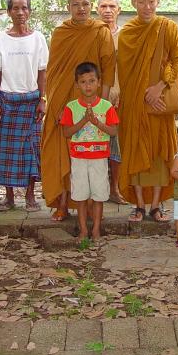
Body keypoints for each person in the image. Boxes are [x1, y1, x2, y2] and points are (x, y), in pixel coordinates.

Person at [42, 0, 115, 221]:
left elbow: (107, 67)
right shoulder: (61, 33)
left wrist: (101, 104)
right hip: (64, 100)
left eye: (85, 4)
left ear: (91, 6)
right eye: (76, 5)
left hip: (91, 100)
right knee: (61, 150)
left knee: (91, 154)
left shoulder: (100, 32)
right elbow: (53, 71)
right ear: (68, 8)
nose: (81, 9)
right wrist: (55, 105)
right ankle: (62, 202)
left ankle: (93, 205)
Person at [117, 0, 178, 223]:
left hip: (160, 104)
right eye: (142, 2)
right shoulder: (127, 33)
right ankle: (138, 205)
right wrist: (139, 97)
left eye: (151, 1)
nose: (147, 7)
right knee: (135, 149)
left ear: (158, 1)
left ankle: (156, 205)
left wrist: (159, 88)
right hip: (134, 105)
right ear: (133, 2)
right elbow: (124, 73)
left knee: (158, 153)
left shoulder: (169, 28)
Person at [0, 0, 48, 211]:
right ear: (9, 12)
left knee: (31, 150)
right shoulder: (0, 39)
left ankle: (30, 196)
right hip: (6, 101)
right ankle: (9, 196)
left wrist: (42, 99)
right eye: (15, 8)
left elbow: (43, 72)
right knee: (7, 153)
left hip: (31, 102)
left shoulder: (38, 38)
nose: (20, 13)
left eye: (24, 8)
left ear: (29, 11)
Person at [60, 62, 119, 241]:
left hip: (99, 158)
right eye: (83, 82)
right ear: (77, 84)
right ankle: (84, 230)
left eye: (92, 81)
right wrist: (83, 121)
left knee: (99, 195)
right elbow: (66, 133)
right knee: (80, 195)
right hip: (78, 158)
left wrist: (97, 123)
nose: (88, 85)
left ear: (99, 82)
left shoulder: (106, 107)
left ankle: (96, 231)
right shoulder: (71, 107)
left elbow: (113, 131)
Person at [96, 0, 127, 205]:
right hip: (93, 99)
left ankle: (115, 189)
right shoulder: (91, 34)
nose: (107, 11)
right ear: (96, 10)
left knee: (116, 146)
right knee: (95, 145)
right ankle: (97, 189)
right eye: (103, 7)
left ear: (119, 10)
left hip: (119, 99)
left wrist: (123, 94)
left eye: (112, 7)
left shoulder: (126, 36)